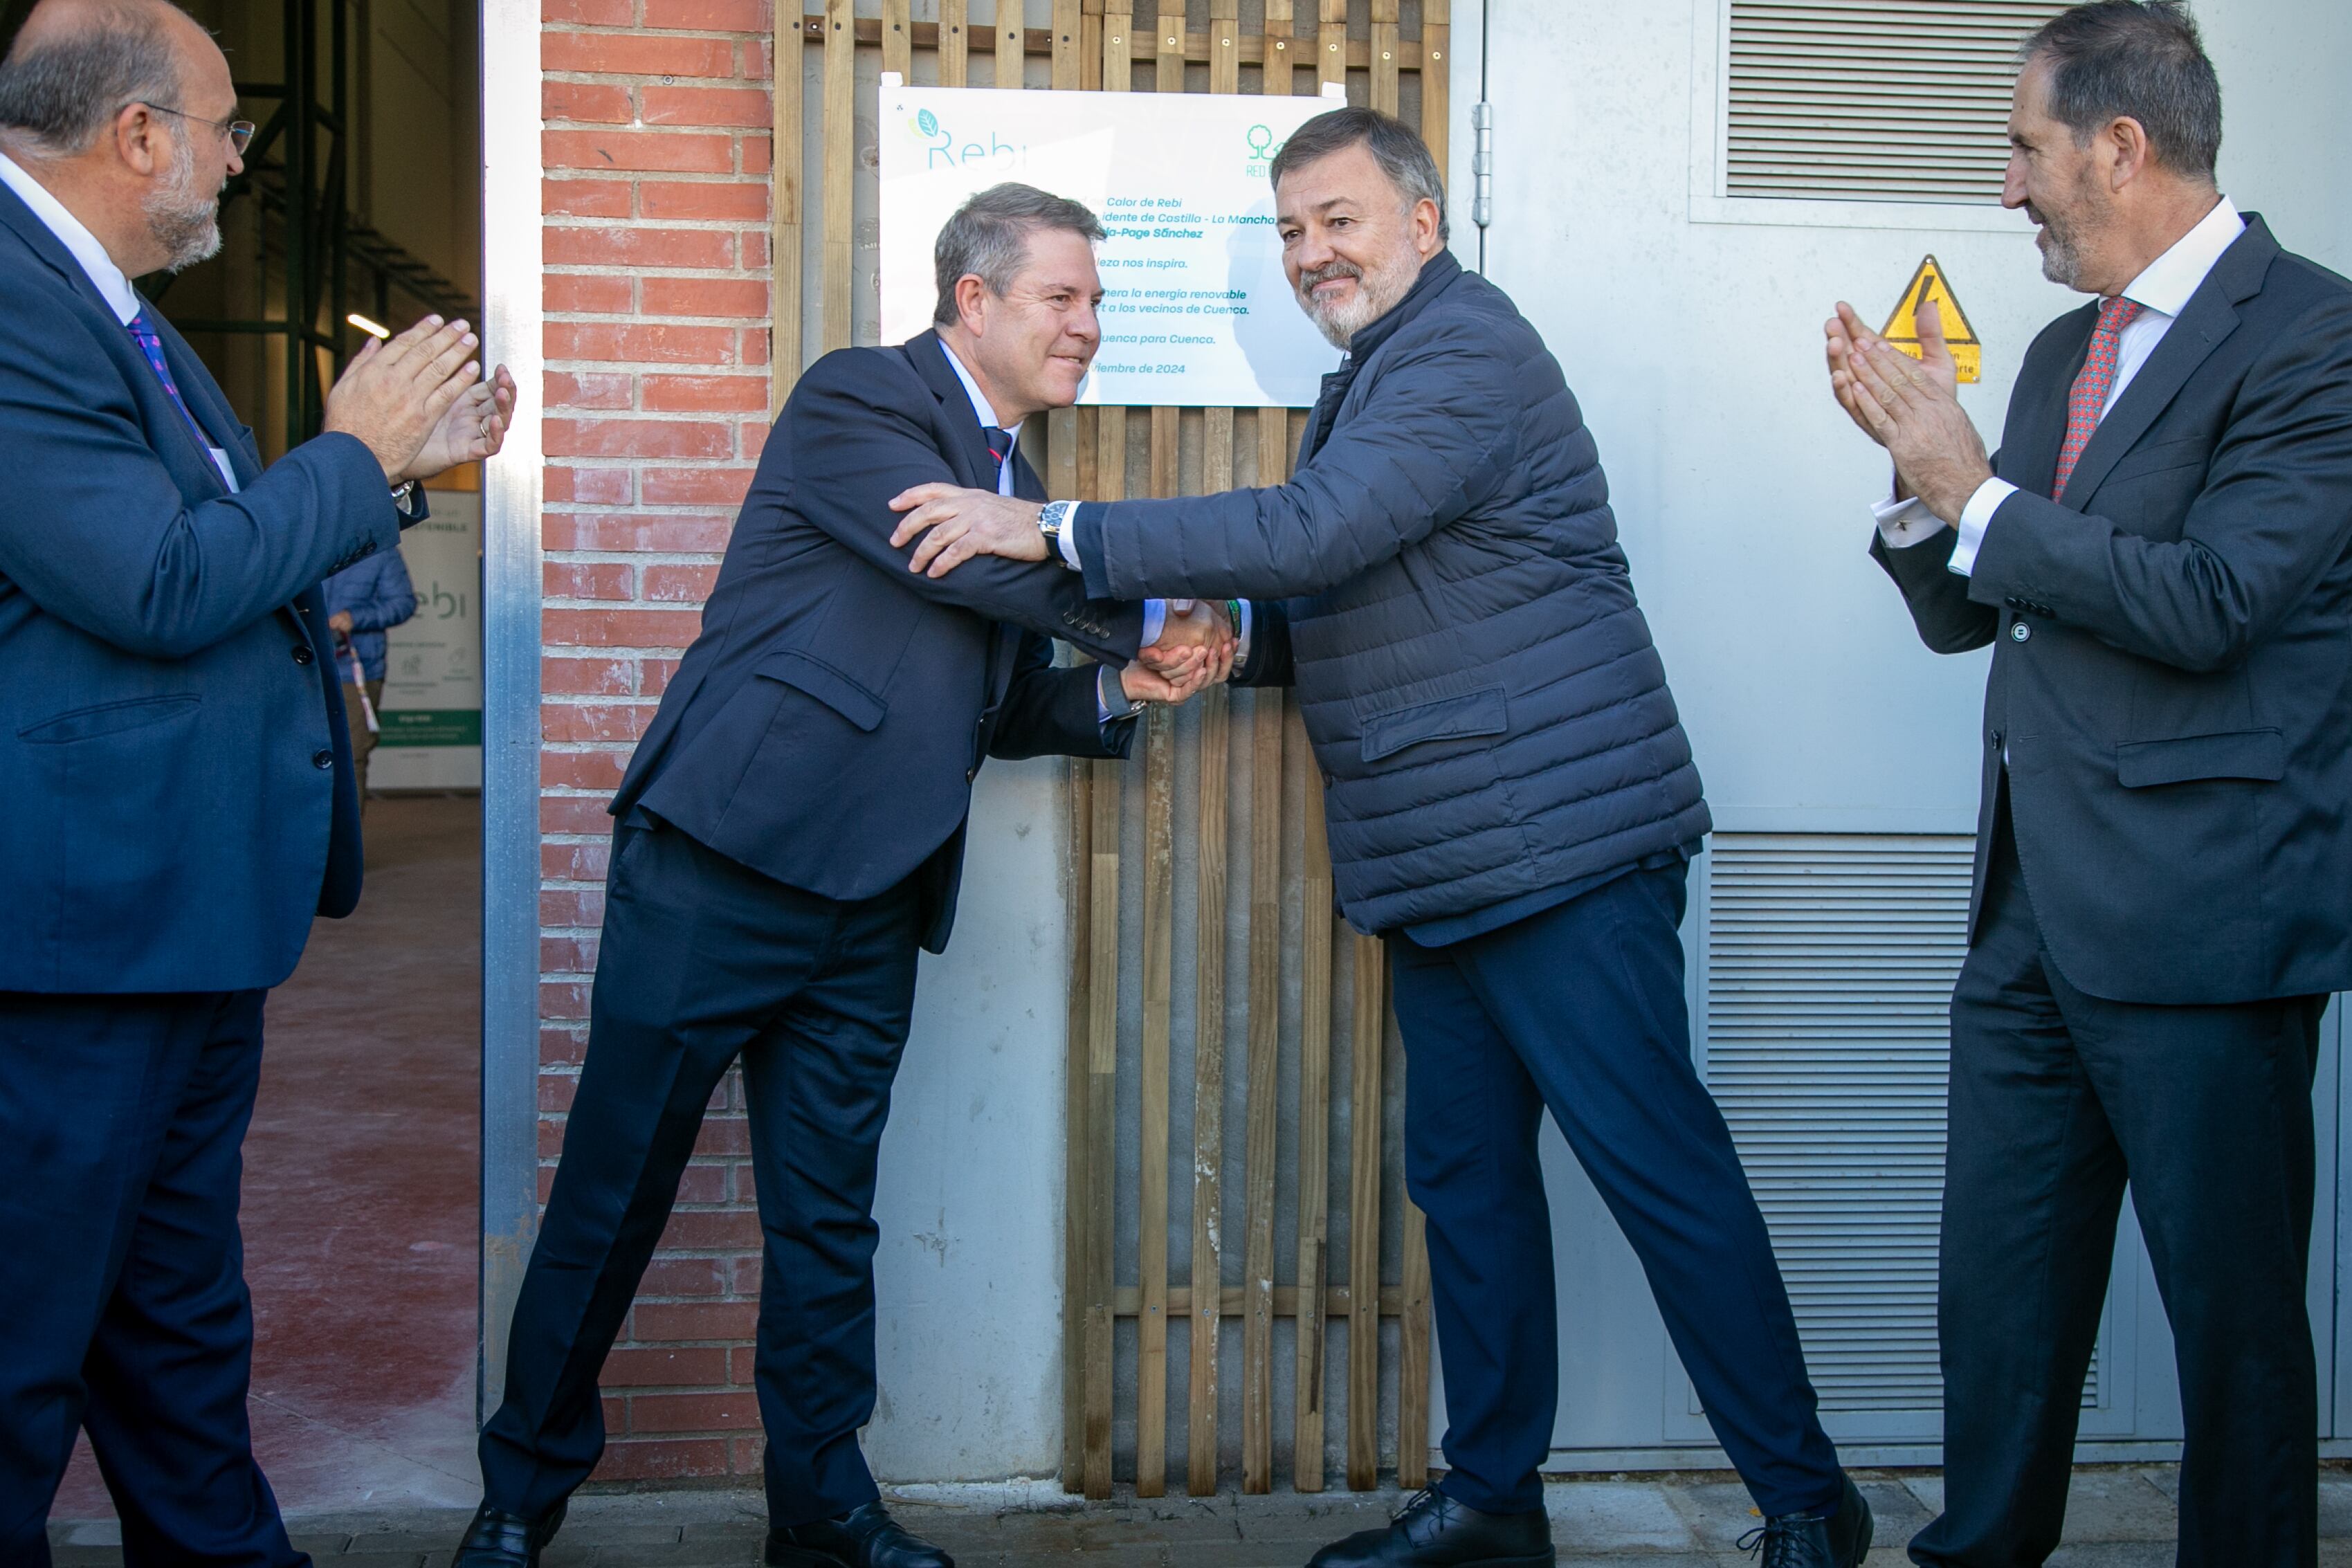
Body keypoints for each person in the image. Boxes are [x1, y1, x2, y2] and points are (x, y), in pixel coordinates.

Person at [888, 109, 1872, 1568]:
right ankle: (1492, 1499)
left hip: (1558, 848)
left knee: (1659, 1171)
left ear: (1420, 218)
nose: (1309, 254)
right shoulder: (1382, 375)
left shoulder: (1465, 352)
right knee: (1464, 1186)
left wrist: (1063, 531)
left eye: (1336, 219)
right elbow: (1371, 584)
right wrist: (1242, 637)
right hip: (1449, 857)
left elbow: (1319, 530)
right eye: (1288, 230)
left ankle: (1806, 1500)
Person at [455, 183, 1229, 1568]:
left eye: (1098, 303)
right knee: (614, 1192)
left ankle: (820, 1508)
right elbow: (969, 573)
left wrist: (1122, 684)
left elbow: (987, 707)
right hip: (723, 864)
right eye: (1065, 298)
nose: (1089, 328)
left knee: (828, 1219)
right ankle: (520, 1492)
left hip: (874, 899)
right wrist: (1151, 598)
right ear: (974, 300)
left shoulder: (1003, 490)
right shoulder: (859, 403)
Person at [1821, 4, 2352, 1564]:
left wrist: (1969, 486)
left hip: (2203, 923)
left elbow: (2207, 600)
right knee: (1997, 1292)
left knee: (2232, 1324)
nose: (2006, 192)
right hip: (2028, 918)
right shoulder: (2063, 349)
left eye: (2024, 150)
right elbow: (1982, 608)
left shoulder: (2315, 337)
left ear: (2120, 148)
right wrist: (1923, 512)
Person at [0, 0, 513, 1560]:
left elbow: (229, 559)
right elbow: (155, 582)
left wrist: (394, 466)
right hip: (78, 937)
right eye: (226, 126)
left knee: (171, 1325)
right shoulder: (16, 302)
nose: (239, 156)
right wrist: (353, 450)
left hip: (176, 919)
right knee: (26, 1345)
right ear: (135, 134)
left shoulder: (107, 307)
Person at [322, 543, 418, 803]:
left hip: (354, 672)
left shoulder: (379, 549)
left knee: (351, 754)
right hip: (297, 670)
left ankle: (347, 842)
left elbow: (403, 602)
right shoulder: (305, 539)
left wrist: (355, 618)